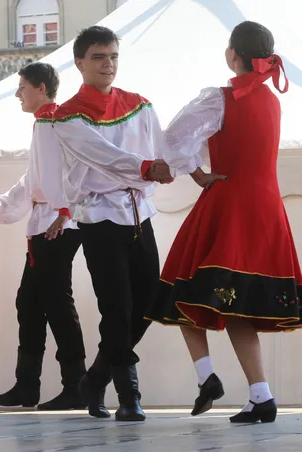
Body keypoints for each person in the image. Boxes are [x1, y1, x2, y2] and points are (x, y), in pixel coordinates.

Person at [146, 21, 298, 424]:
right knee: (238, 304)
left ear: (233, 55)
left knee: (180, 286)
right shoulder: (272, 99)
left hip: (229, 204)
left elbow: (171, 140)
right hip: (266, 207)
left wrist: (195, 171)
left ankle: (207, 375)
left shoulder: (221, 98)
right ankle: (260, 395)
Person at [50, 26, 181, 421]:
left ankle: (97, 376)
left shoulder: (140, 104)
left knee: (148, 302)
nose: (108, 65)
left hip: (139, 214)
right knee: (118, 306)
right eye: (98, 57)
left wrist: (188, 169)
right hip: (99, 217)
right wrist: (145, 167)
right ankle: (129, 396)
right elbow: (103, 155)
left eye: (113, 57)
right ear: (79, 63)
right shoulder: (68, 116)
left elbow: (164, 147)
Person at [0, 62, 86, 411]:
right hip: (48, 222)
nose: (17, 94)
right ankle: (27, 386)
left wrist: (63, 211)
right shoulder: (44, 125)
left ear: (41, 88)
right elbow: (31, 182)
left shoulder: (56, 122)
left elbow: (77, 171)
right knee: (29, 303)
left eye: (22, 87)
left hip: (58, 224)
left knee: (56, 301)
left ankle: (77, 385)